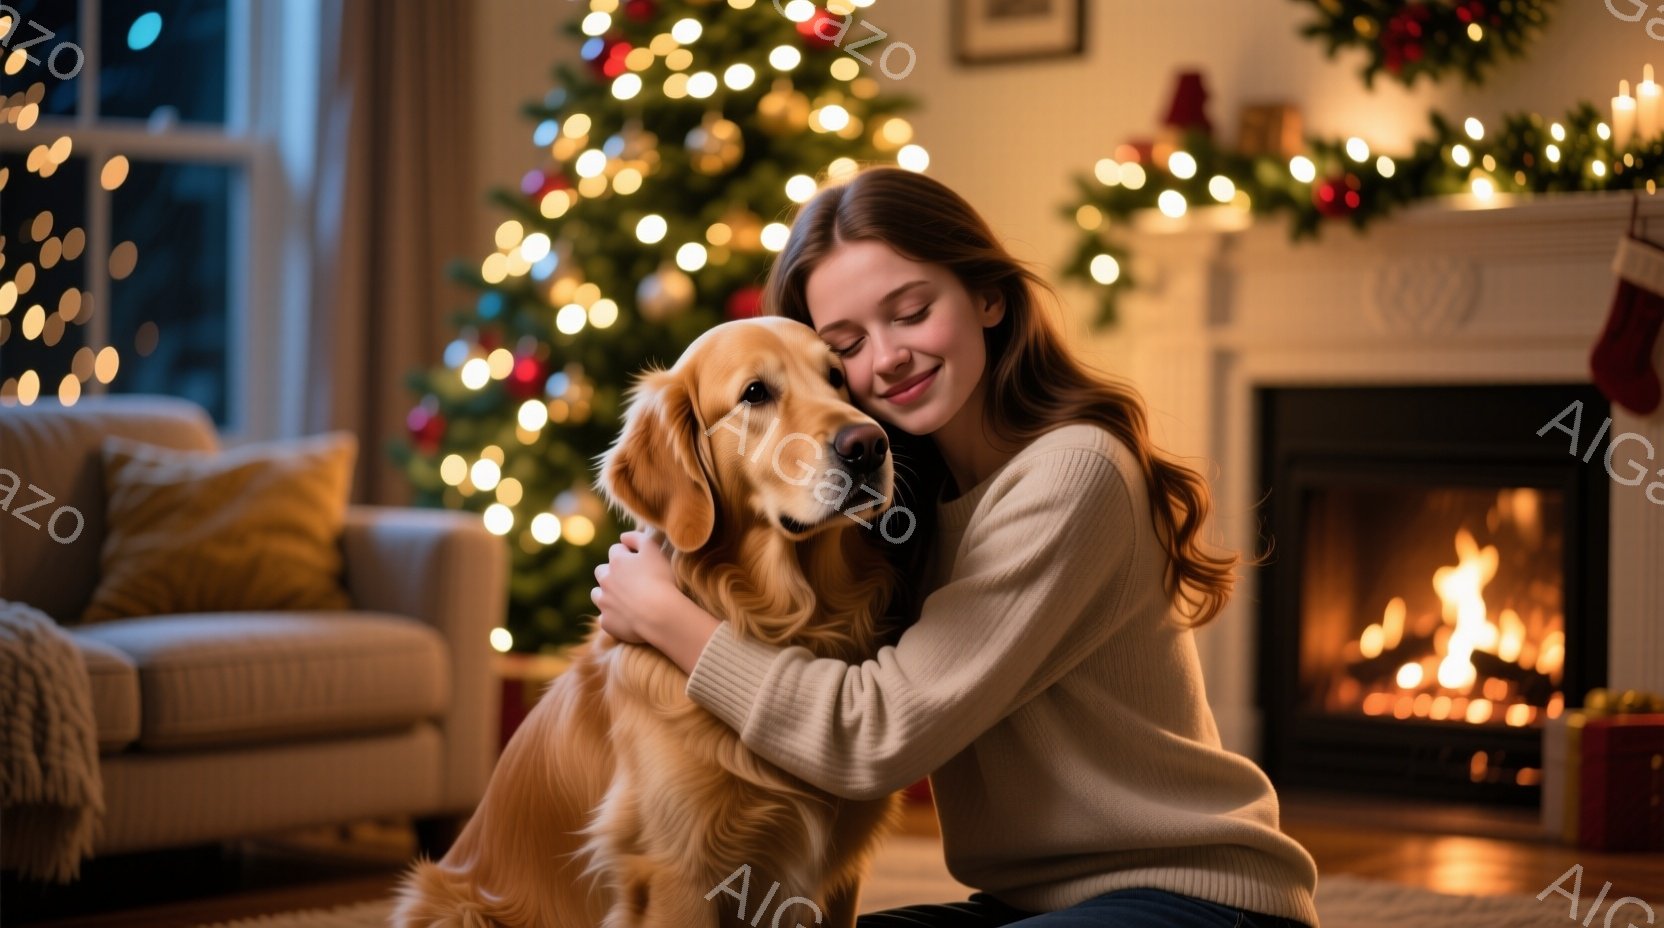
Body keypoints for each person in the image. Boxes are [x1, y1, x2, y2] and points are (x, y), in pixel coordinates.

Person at [590, 166, 1320, 928]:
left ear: (988, 297)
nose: (887, 359)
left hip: (1195, 900)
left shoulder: (1073, 473)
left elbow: (877, 736)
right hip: (1028, 905)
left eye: (910, 313)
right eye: (847, 349)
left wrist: (667, 617)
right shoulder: (911, 503)